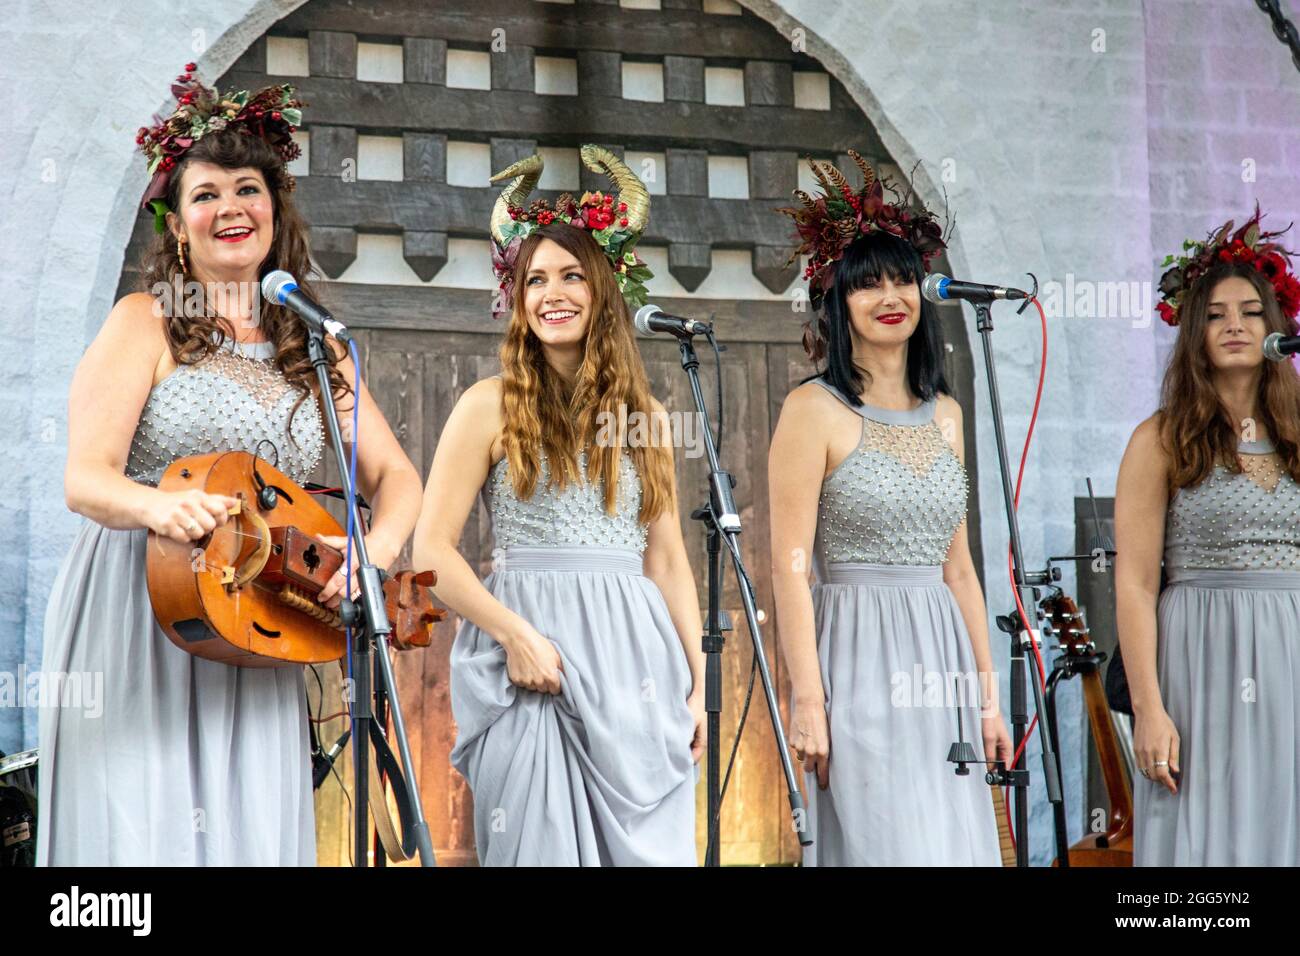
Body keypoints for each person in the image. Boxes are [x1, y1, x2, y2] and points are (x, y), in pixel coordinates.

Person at [37, 67, 421, 865]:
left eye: (247, 189)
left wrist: (372, 556)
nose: (228, 209)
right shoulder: (143, 323)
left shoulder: (316, 347)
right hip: (146, 601)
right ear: (177, 229)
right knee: (144, 829)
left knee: (246, 821)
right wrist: (155, 509)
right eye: (204, 196)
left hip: (260, 615)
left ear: (274, 213)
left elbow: (397, 478)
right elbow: (85, 478)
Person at [412, 147, 704, 866]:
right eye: (535, 279)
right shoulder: (487, 407)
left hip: (636, 665)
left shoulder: (649, 418)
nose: (552, 293)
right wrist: (513, 634)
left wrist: (698, 687)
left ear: (606, 288)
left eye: (572, 275)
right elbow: (431, 554)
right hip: (530, 664)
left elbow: (667, 559)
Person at [768, 153, 1010, 865]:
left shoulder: (948, 415)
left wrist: (988, 697)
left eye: (901, 278)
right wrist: (808, 699)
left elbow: (961, 571)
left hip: (942, 659)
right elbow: (789, 568)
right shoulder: (811, 410)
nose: (889, 295)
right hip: (857, 657)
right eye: (867, 283)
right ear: (838, 302)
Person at [1116, 207, 1300, 866]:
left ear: (1277, 327)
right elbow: (1134, 585)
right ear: (1194, 332)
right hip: (1198, 658)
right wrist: (1149, 710)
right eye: (1216, 313)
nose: (1233, 326)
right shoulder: (1159, 439)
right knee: (1206, 839)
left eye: (1251, 312)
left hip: (1290, 656)